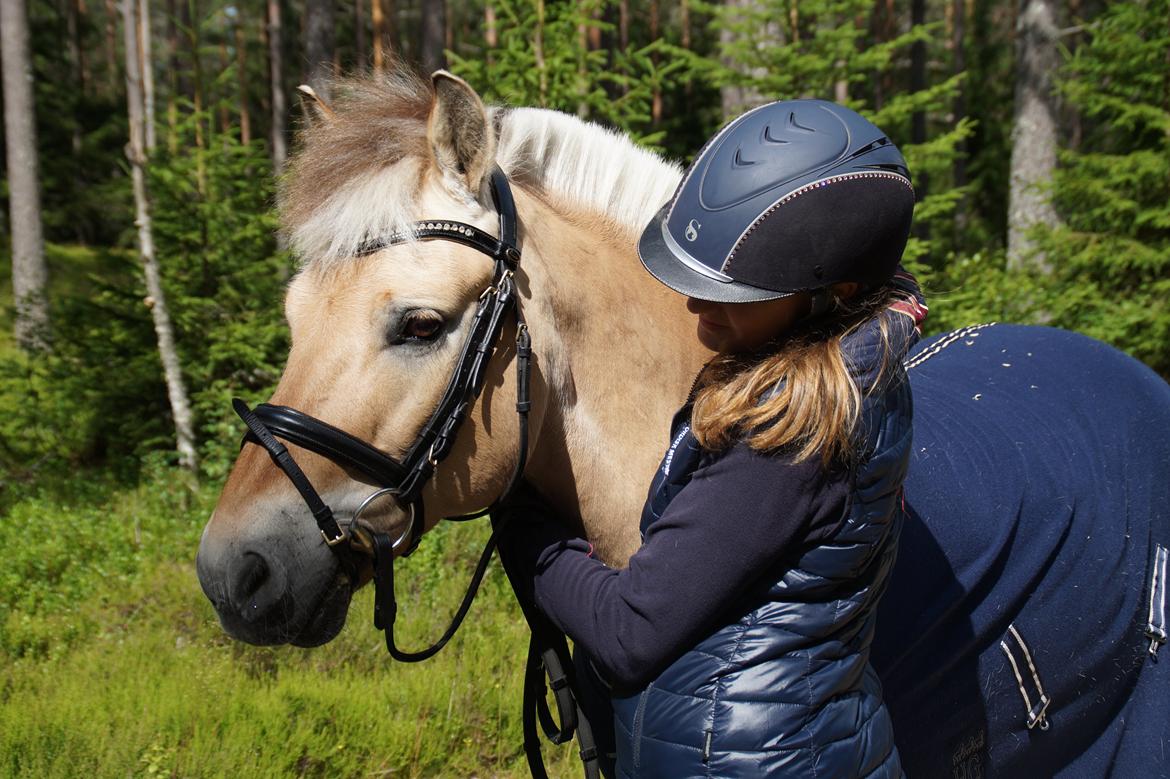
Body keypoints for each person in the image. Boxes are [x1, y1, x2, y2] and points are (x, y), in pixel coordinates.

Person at [497, 99, 927, 778]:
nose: (694, 305)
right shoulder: (835, 366)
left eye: (734, 291)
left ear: (832, 290)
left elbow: (629, 630)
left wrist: (530, 534)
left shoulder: (792, 433)